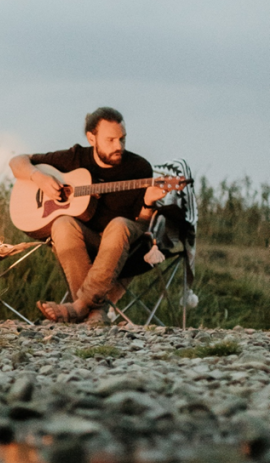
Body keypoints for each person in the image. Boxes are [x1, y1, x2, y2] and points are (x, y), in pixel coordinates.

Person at [9, 107, 167, 324]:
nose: (118, 146)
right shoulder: (75, 159)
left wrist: (149, 202)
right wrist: (39, 177)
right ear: (91, 138)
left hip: (122, 238)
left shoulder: (139, 168)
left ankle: (79, 306)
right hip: (88, 238)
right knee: (63, 223)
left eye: (122, 139)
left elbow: (142, 223)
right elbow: (17, 161)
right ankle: (95, 313)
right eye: (110, 140)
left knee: (119, 224)